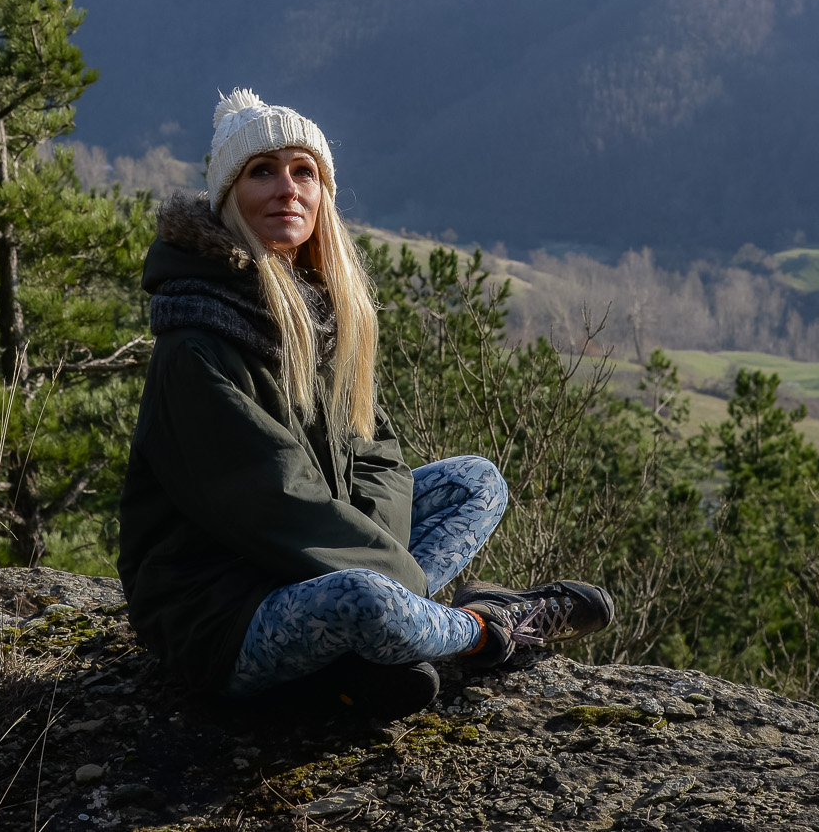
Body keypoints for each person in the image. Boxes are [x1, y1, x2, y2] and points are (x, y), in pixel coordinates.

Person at [117, 88, 615, 717]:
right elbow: (272, 501)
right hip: (221, 611)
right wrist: (394, 583)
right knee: (365, 601)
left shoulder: (320, 312)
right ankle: (486, 630)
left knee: (475, 483)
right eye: (262, 172)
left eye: (305, 172)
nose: (287, 189)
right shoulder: (198, 341)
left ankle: (364, 660)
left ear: (323, 195)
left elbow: (374, 452)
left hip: (312, 561)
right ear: (227, 197)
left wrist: (382, 550)